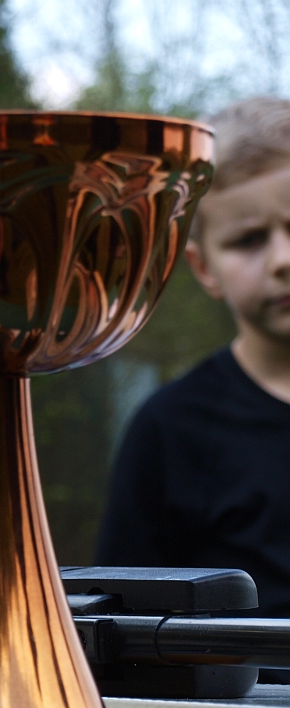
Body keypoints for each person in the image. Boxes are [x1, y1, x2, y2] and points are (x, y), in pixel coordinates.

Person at [96, 97, 290, 617]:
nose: (282, 259)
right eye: (249, 240)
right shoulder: (171, 430)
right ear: (204, 268)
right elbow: (123, 626)